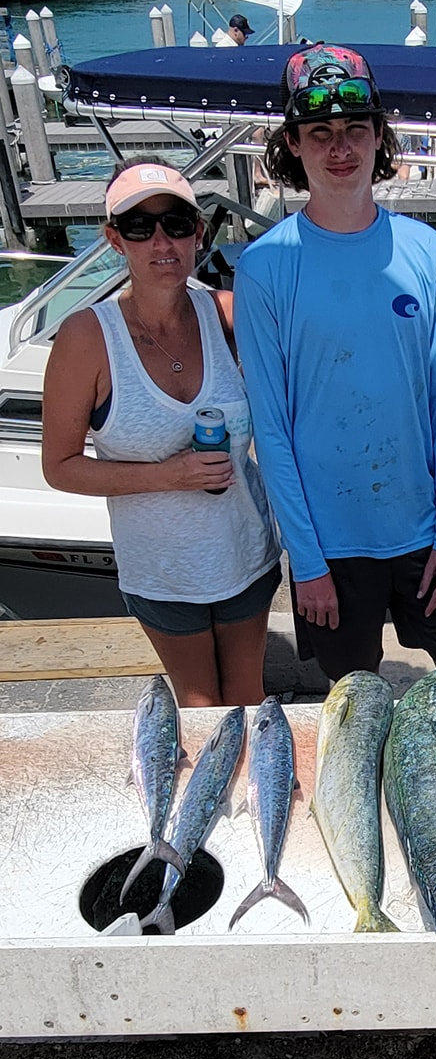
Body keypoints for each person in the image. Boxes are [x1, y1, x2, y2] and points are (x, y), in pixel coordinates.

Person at [232, 45, 436, 686]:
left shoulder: (429, 252)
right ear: (293, 144)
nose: (339, 148)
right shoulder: (263, 268)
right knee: (356, 703)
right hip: (332, 546)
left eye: (355, 129)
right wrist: (308, 562)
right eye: (320, 133)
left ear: (380, 136)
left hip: (423, 529)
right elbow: (273, 431)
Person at [42, 161, 281, 706]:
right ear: (113, 240)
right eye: (138, 227)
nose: (161, 241)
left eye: (176, 224)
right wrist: (169, 475)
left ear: (198, 233)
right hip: (163, 572)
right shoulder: (86, 336)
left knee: (247, 697)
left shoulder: (226, 312)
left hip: (248, 555)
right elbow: (58, 467)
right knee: (198, 708)